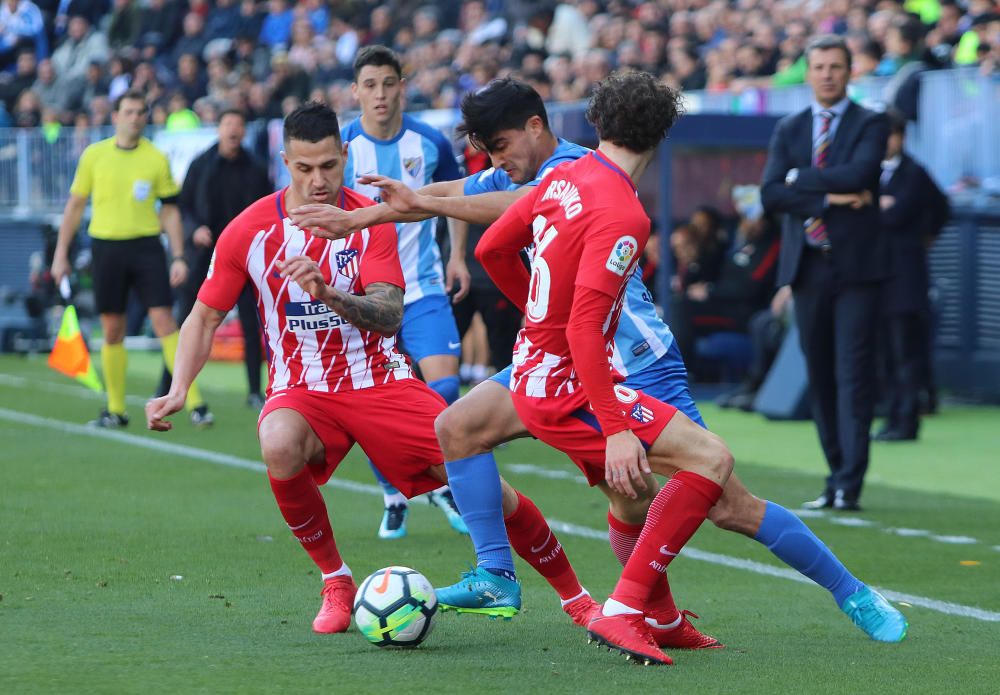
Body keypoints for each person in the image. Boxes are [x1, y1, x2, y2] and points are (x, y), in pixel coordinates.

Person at [291, 78, 908, 649]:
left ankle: (848, 593)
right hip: (562, 359)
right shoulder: (548, 171)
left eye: (500, 146)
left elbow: (508, 208)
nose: (495, 161)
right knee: (461, 429)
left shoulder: (573, 171)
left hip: (635, 362)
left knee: (724, 502)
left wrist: (415, 206)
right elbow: (468, 194)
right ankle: (505, 578)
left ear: (537, 127)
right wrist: (364, 215)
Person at [143, 102, 454, 635]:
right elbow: (203, 315)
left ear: (346, 156)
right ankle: (336, 580)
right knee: (278, 442)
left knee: (471, 466)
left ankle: (566, 593)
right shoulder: (249, 229)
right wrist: (179, 387)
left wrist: (327, 292)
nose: (318, 180)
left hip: (379, 378)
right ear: (285, 161)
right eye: (304, 168)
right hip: (301, 387)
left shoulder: (369, 219)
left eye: (329, 167)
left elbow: (387, 317)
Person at [475, 71, 732, 665]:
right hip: (567, 388)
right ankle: (622, 610)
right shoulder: (624, 214)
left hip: (534, 372)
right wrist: (617, 428)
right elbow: (586, 331)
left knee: (634, 496)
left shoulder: (563, 174)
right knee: (711, 459)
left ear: (596, 123)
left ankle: (660, 617)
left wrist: (538, 321)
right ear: (661, 136)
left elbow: (491, 250)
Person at [340, 45, 468, 540]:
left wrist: (458, 256)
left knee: (448, 392)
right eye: (369, 85)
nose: (379, 94)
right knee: (373, 404)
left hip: (424, 286)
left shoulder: (430, 141)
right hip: (368, 295)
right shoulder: (344, 148)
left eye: (387, 83)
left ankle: (441, 483)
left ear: (401, 87)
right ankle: (395, 493)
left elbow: (460, 197)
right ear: (356, 92)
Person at [761, 34, 889, 512]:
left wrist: (802, 179)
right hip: (808, 268)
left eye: (836, 66)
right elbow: (772, 192)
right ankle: (834, 474)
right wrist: (829, 198)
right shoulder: (790, 128)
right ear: (809, 72)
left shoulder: (871, 122)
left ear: (849, 71)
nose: (828, 74)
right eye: (819, 66)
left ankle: (848, 484)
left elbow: (861, 174)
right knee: (819, 374)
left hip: (857, 269)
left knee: (852, 375)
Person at [51, 88, 211, 429]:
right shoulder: (94, 156)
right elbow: (75, 206)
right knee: (112, 329)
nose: (135, 118)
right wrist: (61, 254)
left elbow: (170, 211)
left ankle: (195, 403)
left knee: (164, 322)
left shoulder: (155, 158)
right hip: (106, 247)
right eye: (129, 111)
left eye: (141, 112)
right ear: (115, 116)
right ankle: (115, 409)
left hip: (146, 248)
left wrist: (179, 255)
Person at [157, 108, 273, 411]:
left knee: (252, 322)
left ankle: (253, 390)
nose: (233, 130)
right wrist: (195, 230)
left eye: (238, 124)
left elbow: (269, 208)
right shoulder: (201, 164)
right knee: (188, 317)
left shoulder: (256, 168)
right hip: (206, 254)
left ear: (244, 131)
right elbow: (184, 206)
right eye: (228, 123)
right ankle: (167, 383)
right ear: (219, 129)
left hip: (246, 254)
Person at [873, 110, 949, 442]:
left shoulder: (914, 173)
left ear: (901, 137)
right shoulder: (871, 173)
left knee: (905, 352)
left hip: (905, 277)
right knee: (886, 353)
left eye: (891, 135)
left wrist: (924, 234)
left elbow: (939, 208)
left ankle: (907, 420)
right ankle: (891, 416)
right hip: (878, 275)